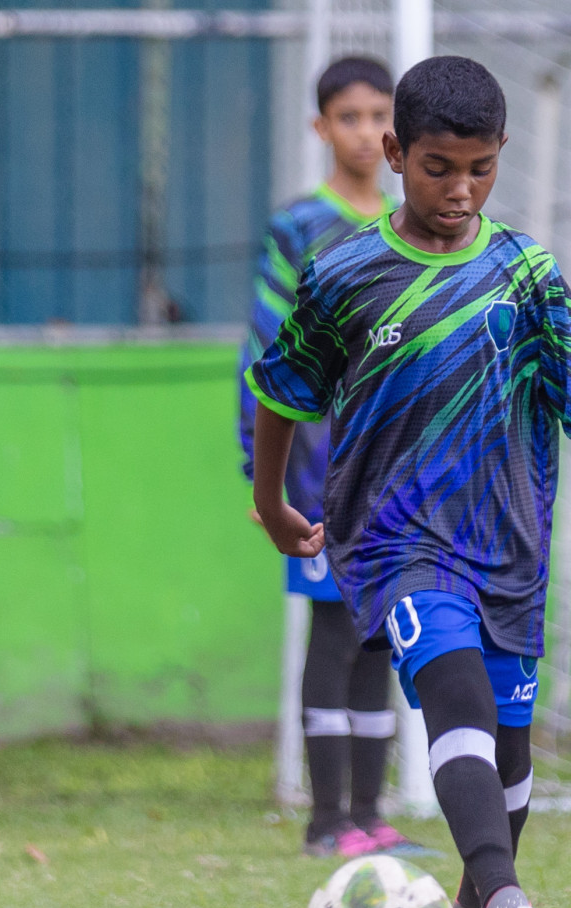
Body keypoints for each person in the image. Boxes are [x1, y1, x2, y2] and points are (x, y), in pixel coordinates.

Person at [245, 55, 571, 908]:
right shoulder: (342, 273)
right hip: (394, 541)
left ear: (501, 157)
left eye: (480, 169)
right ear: (395, 153)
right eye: (438, 167)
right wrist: (269, 499)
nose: (459, 190)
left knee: (510, 749)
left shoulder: (523, 271)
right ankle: (502, 902)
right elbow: (282, 391)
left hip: (507, 542)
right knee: (452, 693)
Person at [237, 55, 426, 859]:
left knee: (382, 632)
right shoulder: (297, 228)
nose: (364, 130)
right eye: (347, 116)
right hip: (318, 472)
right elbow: (267, 352)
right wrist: (263, 469)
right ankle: (325, 821)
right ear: (321, 128)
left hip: (398, 475)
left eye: (378, 114)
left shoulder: (412, 224)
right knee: (333, 633)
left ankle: (370, 814)